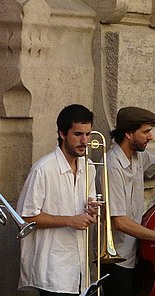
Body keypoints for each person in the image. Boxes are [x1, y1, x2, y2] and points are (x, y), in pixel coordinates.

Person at [101, 106, 155, 296]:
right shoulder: (112, 166)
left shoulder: (138, 155)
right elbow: (119, 221)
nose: (150, 136)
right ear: (129, 133)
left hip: (135, 253)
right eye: (146, 131)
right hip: (116, 259)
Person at [17, 104, 98, 296]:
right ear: (62, 134)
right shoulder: (43, 169)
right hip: (52, 272)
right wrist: (69, 220)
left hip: (80, 270)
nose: (84, 140)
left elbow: (88, 205)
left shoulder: (89, 167)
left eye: (88, 134)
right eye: (78, 134)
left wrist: (93, 211)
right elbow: (25, 218)